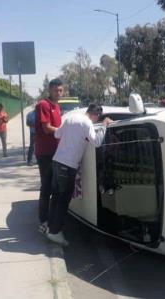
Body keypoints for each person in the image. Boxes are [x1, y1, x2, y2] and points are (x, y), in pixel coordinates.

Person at [46, 104, 112, 245]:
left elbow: (57, 134)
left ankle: (50, 227)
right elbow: (97, 142)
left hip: (57, 161)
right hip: (68, 166)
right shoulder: (87, 123)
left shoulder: (71, 118)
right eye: (98, 119)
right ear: (96, 115)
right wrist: (104, 125)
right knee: (63, 200)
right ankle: (55, 232)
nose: (96, 121)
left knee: (56, 197)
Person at [35, 78, 63, 235]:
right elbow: (46, 128)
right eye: (55, 90)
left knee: (55, 187)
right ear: (50, 90)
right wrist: (63, 131)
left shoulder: (57, 106)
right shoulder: (43, 105)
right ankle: (43, 221)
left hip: (56, 152)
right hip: (45, 153)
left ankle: (50, 218)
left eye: (60, 90)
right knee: (46, 187)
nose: (58, 93)